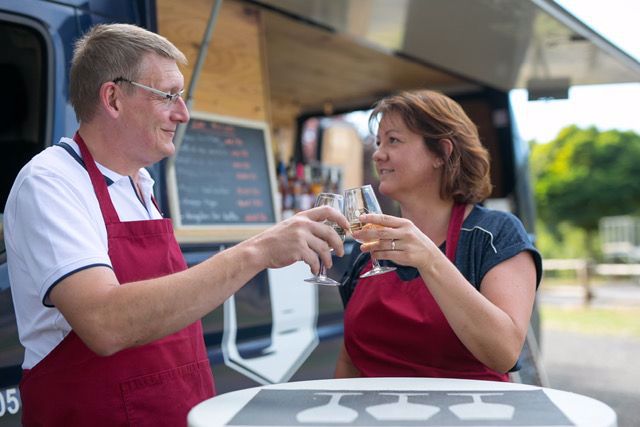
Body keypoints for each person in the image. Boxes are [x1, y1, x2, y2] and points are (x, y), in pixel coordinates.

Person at [3, 23, 349, 426]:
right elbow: (104, 323)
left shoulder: (141, 184)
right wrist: (257, 251)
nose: (183, 113)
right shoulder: (50, 181)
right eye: (168, 95)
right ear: (112, 98)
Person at [335, 89, 542, 381]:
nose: (378, 154)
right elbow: (350, 359)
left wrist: (430, 259)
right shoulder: (367, 248)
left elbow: (504, 353)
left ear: (442, 153)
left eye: (393, 140)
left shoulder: (494, 234)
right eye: (378, 142)